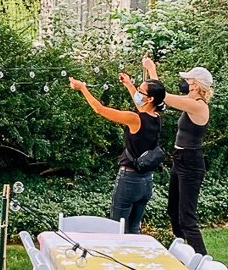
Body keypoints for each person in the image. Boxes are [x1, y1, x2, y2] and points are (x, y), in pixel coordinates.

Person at [67, 72, 167, 235]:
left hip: (129, 180)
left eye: (141, 92)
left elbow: (99, 109)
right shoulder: (156, 117)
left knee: (116, 229)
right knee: (134, 228)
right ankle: (135, 258)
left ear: (150, 99)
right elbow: (141, 107)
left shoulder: (135, 119)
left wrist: (82, 88)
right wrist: (128, 84)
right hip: (146, 182)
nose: (137, 94)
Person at [143, 55, 212, 257]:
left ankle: (201, 263)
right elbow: (164, 99)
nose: (185, 84)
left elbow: (163, 96)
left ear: (197, 85)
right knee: (173, 211)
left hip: (191, 163)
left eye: (189, 81)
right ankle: (183, 254)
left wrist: (152, 70)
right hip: (180, 160)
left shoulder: (198, 106)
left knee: (187, 218)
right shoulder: (189, 101)